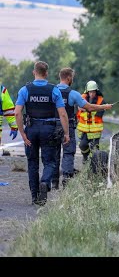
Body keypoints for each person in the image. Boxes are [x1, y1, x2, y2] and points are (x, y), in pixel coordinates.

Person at [14, 61, 70, 205]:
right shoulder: (54, 90)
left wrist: (22, 133)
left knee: (32, 162)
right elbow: (63, 114)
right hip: (48, 129)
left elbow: (17, 113)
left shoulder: (24, 90)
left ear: (34, 72)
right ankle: (45, 182)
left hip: (31, 129)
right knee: (50, 162)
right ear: (46, 74)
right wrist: (66, 133)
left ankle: (34, 196)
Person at [52, 69, 112, 189]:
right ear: (69, 78)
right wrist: (104, 107)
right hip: (68, 126)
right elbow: (88, 107)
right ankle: (66, 178)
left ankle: (53, 182)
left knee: (54, 154)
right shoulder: (74, 94)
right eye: (72, 77)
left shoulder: (51, 91)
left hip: (52, 126)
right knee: (68, 153)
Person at [77, 80, 107, 163]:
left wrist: (87, 108)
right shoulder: (81, 98)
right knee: (82, 145)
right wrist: (90, 108)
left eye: (93, 92)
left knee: (95, 149)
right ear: (87, 92)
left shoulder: (101, 101)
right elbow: (79, 108)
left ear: (96, 91)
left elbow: (99, 113)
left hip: (95, 131)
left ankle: (95, 165)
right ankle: (85, 157)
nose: (92, 94)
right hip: (84, 130)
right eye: (90, 92)